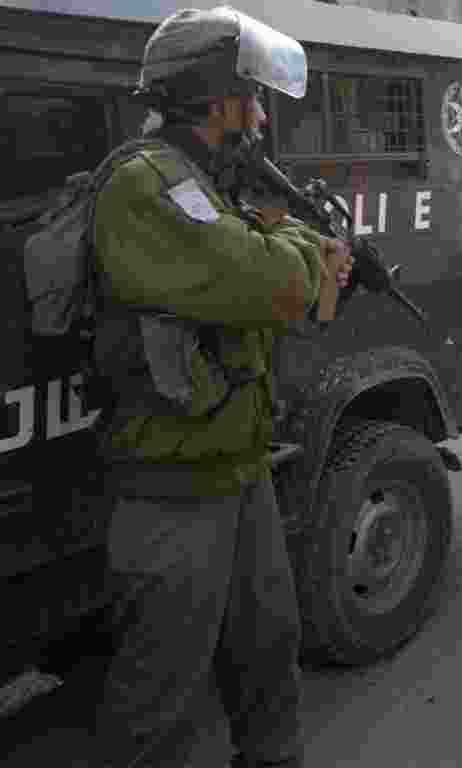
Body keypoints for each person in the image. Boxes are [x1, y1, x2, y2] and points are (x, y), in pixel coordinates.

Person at [89, 8, 353, 767]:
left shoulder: (208, 182)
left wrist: (304, 251)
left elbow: (269, 249)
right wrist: (311, 256)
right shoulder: (147, 183)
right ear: (215, 96)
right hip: (172, 488)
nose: (263, 115)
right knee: (158, 702)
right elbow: (263, 277)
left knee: (270, 657)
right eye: (253, 98)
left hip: (238, 472)